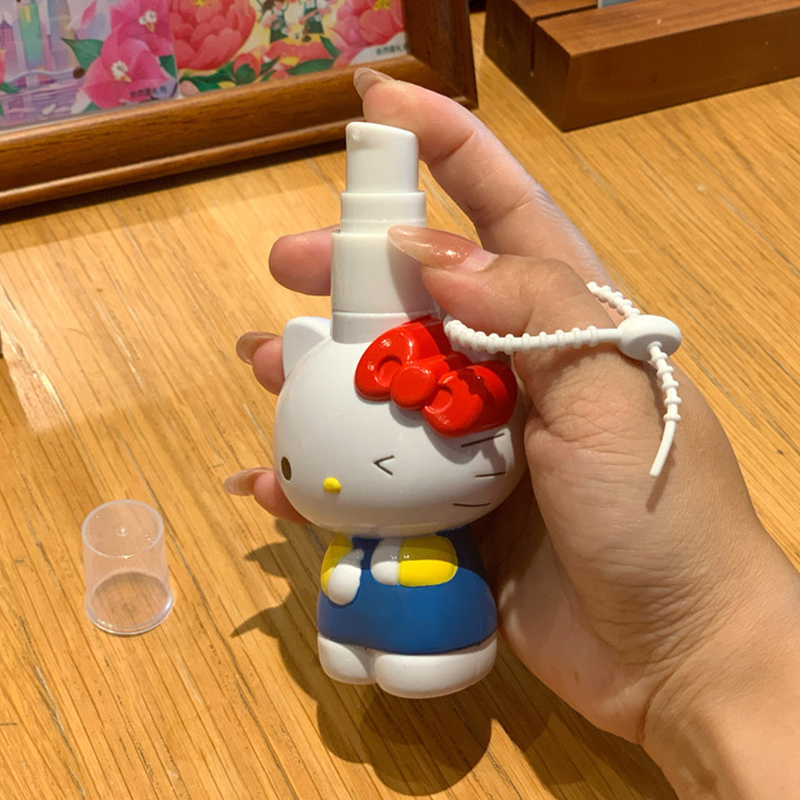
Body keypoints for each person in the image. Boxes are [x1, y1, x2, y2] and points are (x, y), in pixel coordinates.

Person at [226, 69, 800, 798]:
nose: (334, 480)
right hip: (346, 615)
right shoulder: (322, 359)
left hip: (445, 612)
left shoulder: (459, 357)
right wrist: (702, 667)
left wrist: (699, 651)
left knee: (424, 621)